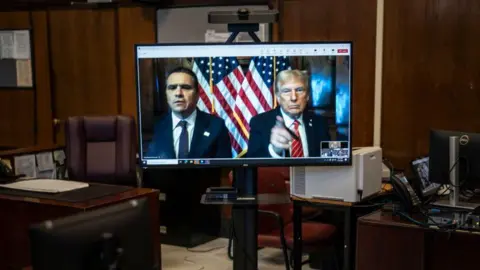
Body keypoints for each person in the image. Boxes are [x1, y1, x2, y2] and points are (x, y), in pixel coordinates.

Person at [146, 67, 232, 159]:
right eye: (172, 88)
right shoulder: (155, 127)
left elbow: (224, 169)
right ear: (166, 94)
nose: (178, 93)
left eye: (185, 87)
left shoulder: (217, 126)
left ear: (197, 95)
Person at [247, 69, 330, 158]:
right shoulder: (259, 123)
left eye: (299, 90)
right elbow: (252, 166)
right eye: (286, 91)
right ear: (278, 97)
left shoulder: (320, 123)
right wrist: (275, 151)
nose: (294, 97)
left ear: (307, 96)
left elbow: (330, 160)